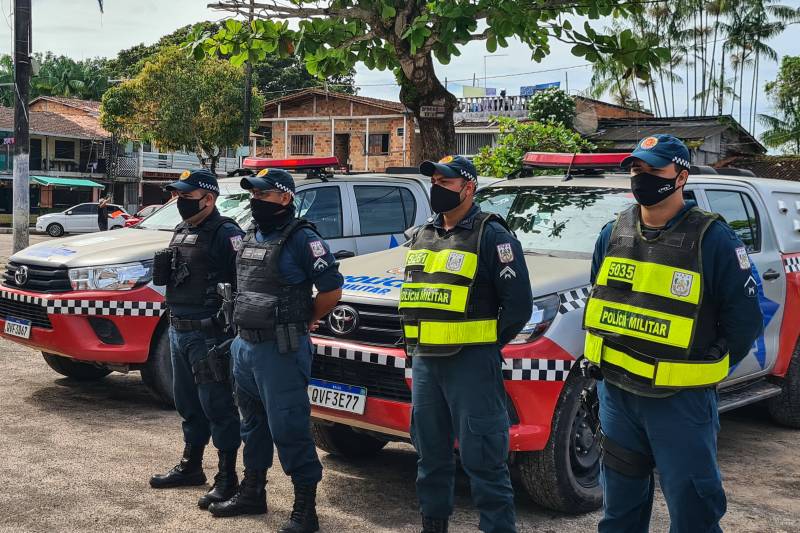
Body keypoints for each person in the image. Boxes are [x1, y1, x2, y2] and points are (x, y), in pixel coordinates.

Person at [583, 135, 764, 532]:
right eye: (636, 169)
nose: (641, 177)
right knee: (619, 512)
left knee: (692, 512)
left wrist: (701, 370)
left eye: (653, 170)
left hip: (679, 402)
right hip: (617, 395)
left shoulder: (713, 239)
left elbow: (745, 320)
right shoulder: (612, 233)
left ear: (681, 176)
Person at [399, 155, 533, 533]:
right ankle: (434, 524)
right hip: (426, 363)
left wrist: (483, 343)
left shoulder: (493, 235)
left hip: (471, 365)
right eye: (435, 181)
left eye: (446, 182)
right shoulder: (424, 234)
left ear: (469, 188)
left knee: (484, 458)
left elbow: (518, 306)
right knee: (430, 456)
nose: (437, 188)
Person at [209, 168, 343, 533]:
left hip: (281, 349)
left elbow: (331, 290)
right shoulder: (251, 233)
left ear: (285, 198)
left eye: (263, 195)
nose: (256, 201)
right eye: (253, 194)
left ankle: (305, 510)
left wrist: (305, 319)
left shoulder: (303, 238)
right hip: (245, 347)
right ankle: (253, 492)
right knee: (251, 425)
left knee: (290, 428)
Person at [149, 169, 243, 511]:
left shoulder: (226, 233)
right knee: (187, 403)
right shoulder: (182, 229)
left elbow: (242, 283)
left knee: (217, 405)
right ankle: (191, 466)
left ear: (208, 198)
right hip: (178, 330)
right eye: (177, 196)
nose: (179, 202)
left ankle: (227, 477)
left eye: (186, 197)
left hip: (208, 335)